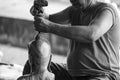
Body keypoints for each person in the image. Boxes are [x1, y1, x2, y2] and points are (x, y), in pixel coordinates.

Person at [23, 0, 120, 80]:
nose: (71, 1)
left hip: (102, 74)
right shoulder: (75, 9)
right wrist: (39, 12)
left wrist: (50, 27)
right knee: (31, 67)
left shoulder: (107, 11)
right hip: (72, 73)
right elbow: (49, 19)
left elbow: (91, 34)